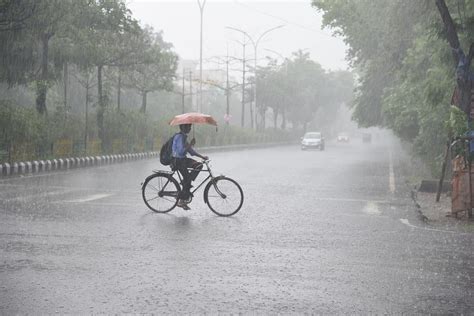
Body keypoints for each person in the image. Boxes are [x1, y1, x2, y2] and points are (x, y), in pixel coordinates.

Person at [171, 123, 208, 210]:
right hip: (178, 161)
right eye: (188, 127)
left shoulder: (184, 137)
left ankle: (186, 183)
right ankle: (181, 199)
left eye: (190, 127)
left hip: (183, 160)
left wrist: (202, 157)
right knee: (187, 180)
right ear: (183, 127)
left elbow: (191, 152)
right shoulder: (179, 137)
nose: (190, 128)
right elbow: (181, 152)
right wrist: (190, 144)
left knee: (199, 165)